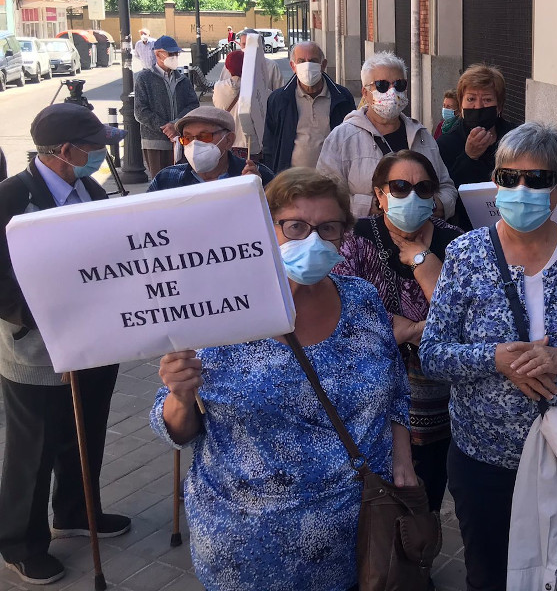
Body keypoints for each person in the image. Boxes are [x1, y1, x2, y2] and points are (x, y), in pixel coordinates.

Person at [152, 168, 416, 591]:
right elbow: (176, 432)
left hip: (362, 536)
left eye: (327, 227)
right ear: (263, 229)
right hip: (248, 547)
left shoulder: (362, 299)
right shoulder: (217, 312)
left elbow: (397, 390)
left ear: (343, 234)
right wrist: (180, 394)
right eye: (294, 226)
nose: (311, 239)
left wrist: (403, 462)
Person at [420, 122, 557, 591]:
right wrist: (493, 359)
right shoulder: (466, 254)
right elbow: (433, 355)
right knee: (490, 576)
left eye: (536, 179)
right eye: (508, 176)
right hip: (485, 459)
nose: (520, 188)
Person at [0, 105, 132, 586]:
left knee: (85, 431)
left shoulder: (90, 188)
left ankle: (77, 511)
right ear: (64, 152)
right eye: (93, 147)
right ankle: (20, 541)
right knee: (32, 449)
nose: (101, 153)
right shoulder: (10, 197)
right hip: (38, 350)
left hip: (96, 341)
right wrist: (45, 317)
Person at [335, 150, 462, 514]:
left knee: (429, 485)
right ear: (379, 194)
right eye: (400, 187)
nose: (412, 196)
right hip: (371, 390)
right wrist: (415, 330)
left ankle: (419, 559)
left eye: (423, 188)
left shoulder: (456, 241)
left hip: (438, 394)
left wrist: (421, 263)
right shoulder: (355, 237)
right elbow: (344, 311)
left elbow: (462, 317)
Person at [319, 52, 456, 220]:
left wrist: (435, 204)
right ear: (365, 92)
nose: (392, 92)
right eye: (382, 85)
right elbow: (326, 195)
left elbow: (447, 187)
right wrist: (372, 205)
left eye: (399, 84)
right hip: (365, 238)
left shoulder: (421, 135)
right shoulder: (342, 138)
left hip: (422, 235)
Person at [436, 64, 519, 230]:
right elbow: (447, 192)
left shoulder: (516, 137)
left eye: (487, 100)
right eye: (471, 99)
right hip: (465, 229)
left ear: (499, 106)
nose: (478, 106)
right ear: (461, 106)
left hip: (513, 224)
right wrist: (469, 157)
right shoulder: (446, 143)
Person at [262, 41, 356, 174]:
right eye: (301, 61)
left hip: (331, 180)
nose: (307, 65)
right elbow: (269, 147)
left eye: (312, 60)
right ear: (293, 66)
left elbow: (352, 140)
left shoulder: (342, 97)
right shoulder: (279, 99)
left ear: (323, 65)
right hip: (292, 181)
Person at [147, 107, 273, 192]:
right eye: (187, 138)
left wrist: (258, 191)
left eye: (204, 136)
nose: (194, 144)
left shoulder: (258, 175)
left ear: (228, 140)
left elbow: (278, 221)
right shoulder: (166, 180)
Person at [133, 35, 200, 179]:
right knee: (162, 184)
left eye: (176, 54)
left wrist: (176, 124)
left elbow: (193, 104)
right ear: (158, 54)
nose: (175, 57)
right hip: (156, 142)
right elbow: (140, 111)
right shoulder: (144, 78)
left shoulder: (182, 79)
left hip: (181, 141)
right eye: (171, 54)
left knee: (183, 182)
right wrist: (165, 127)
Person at [211, 50, 264, 163]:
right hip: (251, 145)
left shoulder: (219, 87)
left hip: (227, 141)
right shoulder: (257, 89)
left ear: (227, 67)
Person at [219, 28, 285, 91]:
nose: (247, 47)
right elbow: (222, 89)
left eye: (251, 44)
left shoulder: (271, 66)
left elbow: (279, 93)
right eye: (244, 44)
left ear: (260, 46)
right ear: (240, 45)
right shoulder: (230, 65)